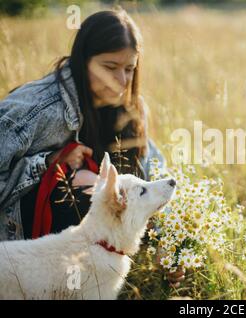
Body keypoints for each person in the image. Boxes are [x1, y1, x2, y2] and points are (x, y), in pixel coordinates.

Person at [0, 8, 184, 287]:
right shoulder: (39, 108)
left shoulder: (131, 109)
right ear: (82, 60)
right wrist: (50, 162)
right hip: (23, 262)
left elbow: (154, 171)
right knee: (77, 194)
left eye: (130, 69)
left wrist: (170, 246)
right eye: (109, 68)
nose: (122, 81)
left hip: (97, 257)